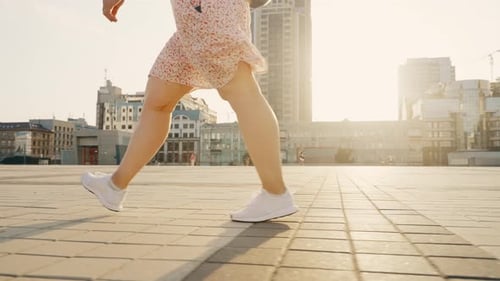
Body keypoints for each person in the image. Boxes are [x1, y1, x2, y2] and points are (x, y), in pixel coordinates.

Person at [81, 0, 297, 223]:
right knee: (158, 102)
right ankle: (115, 185)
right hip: (191, 18)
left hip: (207, 8)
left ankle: (275, 192)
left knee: (241, 90)